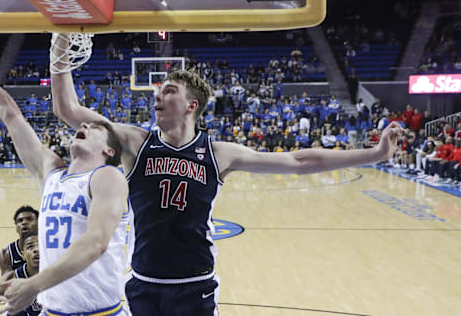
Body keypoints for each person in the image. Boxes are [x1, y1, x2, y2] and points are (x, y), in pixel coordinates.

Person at [49, 34, 405, 316]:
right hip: (143, 282)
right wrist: (61, 48)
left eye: (168, 91)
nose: (158, 95)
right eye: (158, 91)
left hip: (196, 285)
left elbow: (299, 161)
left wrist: (375, 154)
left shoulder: (218, 153)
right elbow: (68, 109)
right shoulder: (134, 141)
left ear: (192, 105)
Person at [0, 39, 130, 315]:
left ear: (109, 149)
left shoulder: (108, 177)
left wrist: (33, 285)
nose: (83, 125)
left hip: (102, 312)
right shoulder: (51, 171)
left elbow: (96, 242)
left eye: (94, 128)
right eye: (84, 123)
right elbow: (10, 115)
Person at [0, 206, 39, 274]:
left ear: (40, 223)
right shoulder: (7, 254)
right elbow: (8, 283)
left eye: (29, 219)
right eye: (20, 221)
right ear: (16, 228)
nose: (24, 223)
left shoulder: (50, 247)